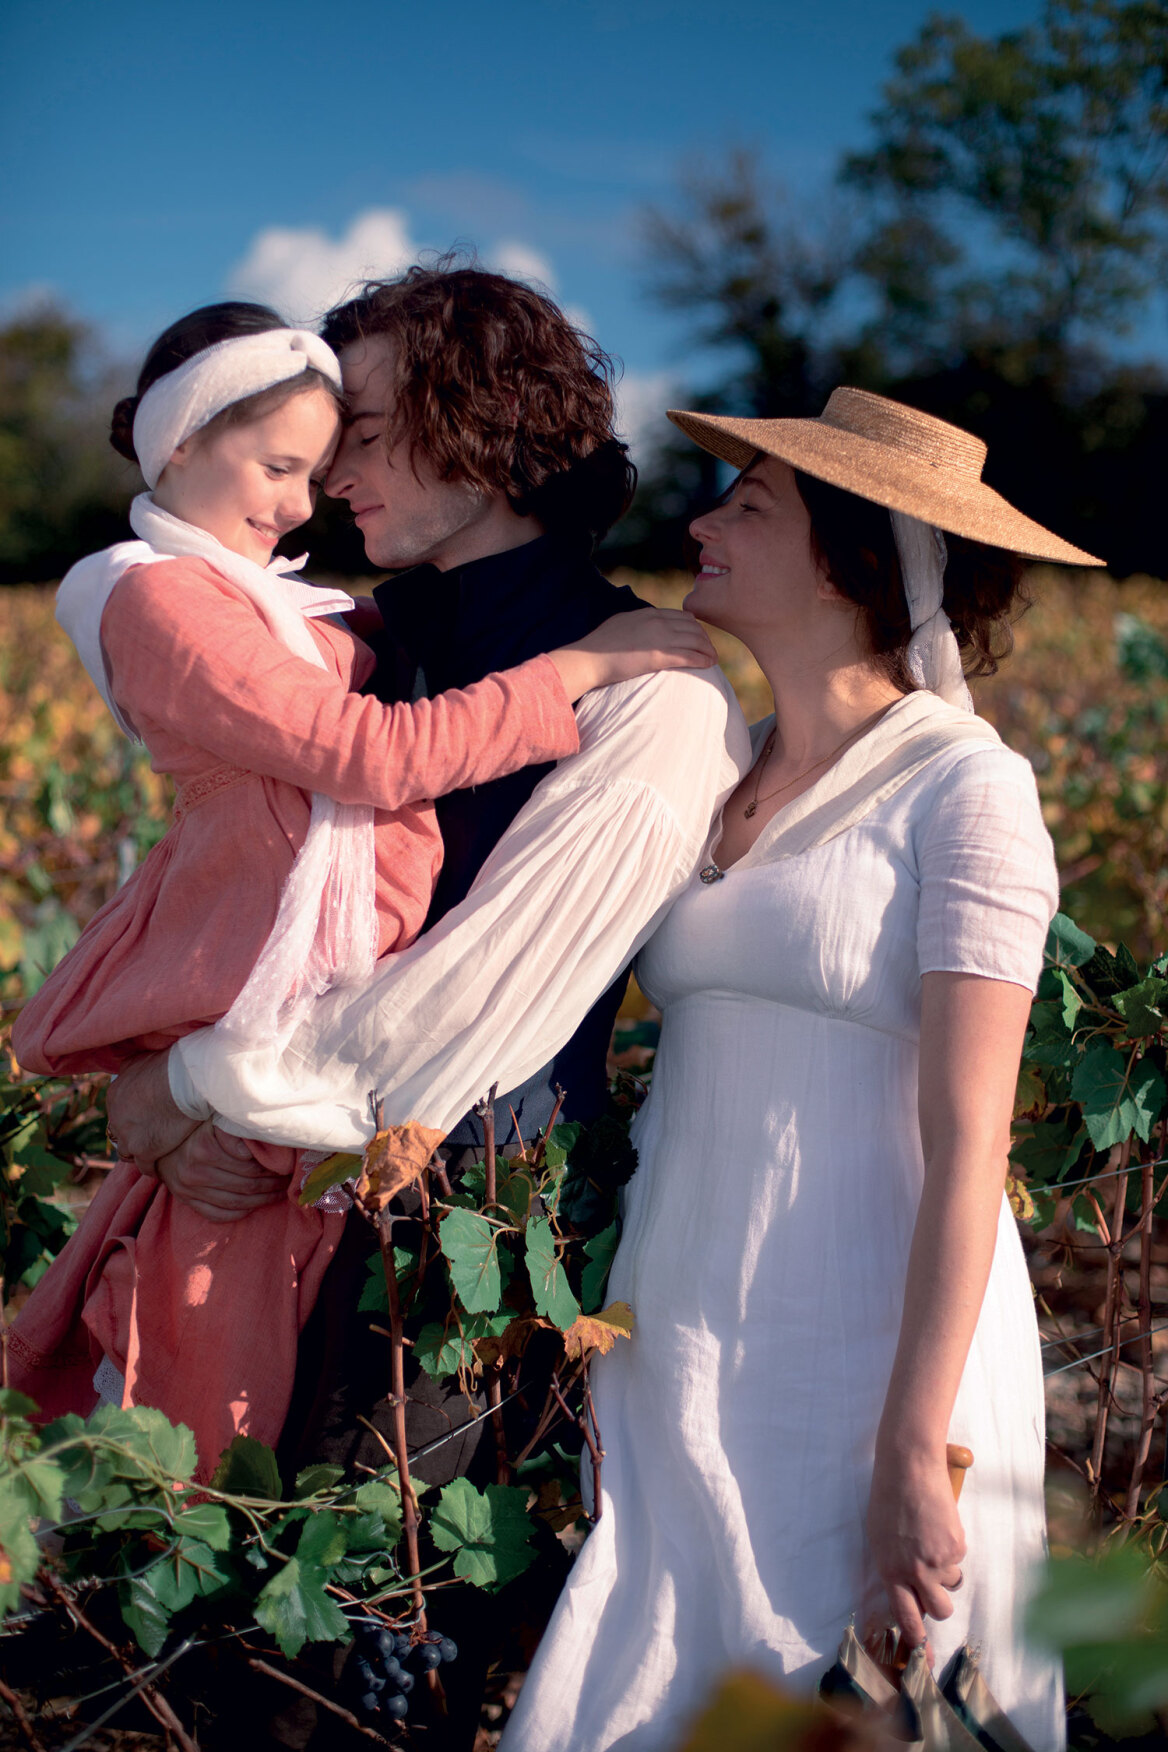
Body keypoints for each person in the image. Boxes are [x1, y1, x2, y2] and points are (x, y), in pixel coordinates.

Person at [117, 389, 1099, 1752]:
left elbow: (970, 1141)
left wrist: (913, 1447)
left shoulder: (966, 789)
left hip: (867, 1340)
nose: (698, 522)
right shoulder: (723, 769)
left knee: (854, 1701)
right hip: (683, 1326)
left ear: (851, 557)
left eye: (749, 505)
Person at [7, 298, 713, 1479]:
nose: (328, 482)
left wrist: (182, 1089)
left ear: (481, 433)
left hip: (460, 1227)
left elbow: (484, 1000)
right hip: (283, 1184)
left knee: (360, 1604)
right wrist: (162, 1083)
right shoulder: (364, 640)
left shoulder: (646, 690)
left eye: (366, 434)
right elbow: (251, 887)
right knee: (196, 1557)